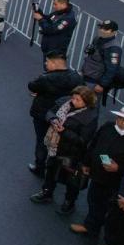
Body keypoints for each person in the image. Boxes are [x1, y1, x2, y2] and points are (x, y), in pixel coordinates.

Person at [72, 104, 124, 245]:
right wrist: (86, 162)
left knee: (114, 214)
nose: (123, 122)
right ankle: (91, 227)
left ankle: (110, 243)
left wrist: (119, 168)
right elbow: (94, 144)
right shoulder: (108, 127)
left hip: (118, 183)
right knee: (94, 201)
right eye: (120, 118)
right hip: (98, 176)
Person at [30, 86, 98, 211]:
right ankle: (46, 192)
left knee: (71, 179)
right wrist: (53, 119)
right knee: (50, 170)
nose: (73, 101)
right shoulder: (65, 102)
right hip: (55, 147)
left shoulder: (90, 117)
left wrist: (64, 132)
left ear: (87, 102)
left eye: (78, 100)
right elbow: (50, 111)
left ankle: (69, 202)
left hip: (72, 153)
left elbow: (83, 140)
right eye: (73, 98)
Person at [27, 50, 83, 178]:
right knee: (60, 143)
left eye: (47, 62)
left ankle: (40, 166)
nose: (46, 64)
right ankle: (56, 170)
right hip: (64, 116)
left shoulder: (46, 78)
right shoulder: (76, 78)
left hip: (43, 114)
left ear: (54, 63)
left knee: (42, 141)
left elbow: (32, 86)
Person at [81, 20, 123, 106]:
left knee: (90, 105)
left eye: (106, 29)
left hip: (95, 81)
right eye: (101, 28)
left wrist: (102, 85)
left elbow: (112, 69)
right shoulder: (97, 39)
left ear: (114, 32)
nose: (102, 30)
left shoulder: (114, 48)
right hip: (86, 75)